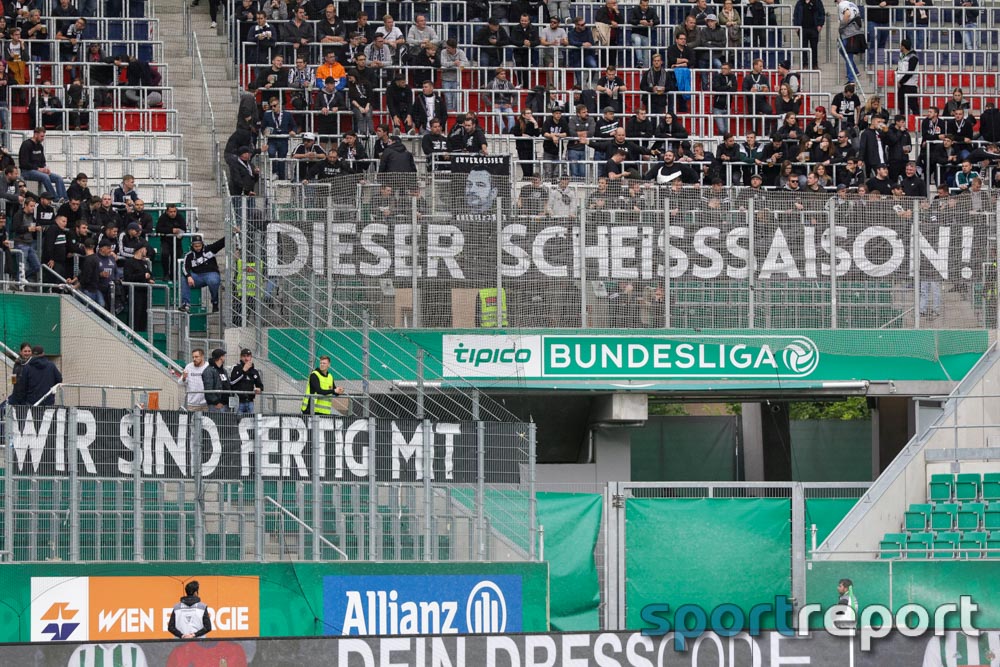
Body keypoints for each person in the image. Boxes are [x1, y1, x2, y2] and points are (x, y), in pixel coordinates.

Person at [18, 128, 67, 200]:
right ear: (35, 134)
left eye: (44, 136)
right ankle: (55, 198)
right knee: (45, 177)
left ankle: (64, 199)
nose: (43, 138)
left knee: (58, 178)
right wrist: (39, 169)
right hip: (27, 171)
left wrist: (45, 168)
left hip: (38, 171)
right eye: (41, 136)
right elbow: (24, 163)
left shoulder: (40, 146)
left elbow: (42, 161)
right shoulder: (26, 144)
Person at [180, 235, 225, 313]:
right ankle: (186, 304)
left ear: (202, 244)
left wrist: (233, 233)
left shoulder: (209, 249)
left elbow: (221, 243)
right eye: (195, 246)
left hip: (211, 273)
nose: (198, 248)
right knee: (184, 278)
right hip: (198, 276)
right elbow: (185, 267)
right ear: (192, 245)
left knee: (213, 281)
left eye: (199, 245)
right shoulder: (189, 255)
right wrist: (188, 276)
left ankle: (215, 302)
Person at [793, 0, 825, 68]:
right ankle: (804, 65)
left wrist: (820, 25)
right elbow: (795, 15)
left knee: (814, 48)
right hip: (803, 29)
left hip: (813, 28)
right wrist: (796, 26)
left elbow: (822, 13)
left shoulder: (817, 2)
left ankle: (815, 65)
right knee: (803, 48)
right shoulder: (800, 3)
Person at [230, 348, 264, 413]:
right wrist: (243, 371)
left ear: (251, 357)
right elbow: (232, 382)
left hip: (250, 401)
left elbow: (260, 385)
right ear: (241, 357)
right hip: (238, 402)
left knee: (250, 420)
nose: (246, 358)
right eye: (244, 356)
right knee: (238, 421)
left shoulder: (254, 371)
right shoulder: (236, 368)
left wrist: (259, 389)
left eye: (248, 356)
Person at [202, 348, 231, 413]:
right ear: (221, 357)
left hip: (226, 404)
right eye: (224, 356)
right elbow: (208, 389)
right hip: (216, 405)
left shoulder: (224, 370)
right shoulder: (209, 371)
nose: (224, 358)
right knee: (217, 422)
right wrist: (216, 402)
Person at [896, 38, 919, 117]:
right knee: (902, 107)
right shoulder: (902, 57)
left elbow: (910, 72)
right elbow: (899, 68)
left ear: (903, 46)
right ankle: (902, 125)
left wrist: (901, 82)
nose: (900, 47)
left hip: (910, 85)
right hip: (902, 85)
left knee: (914, 106)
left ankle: (917, 124)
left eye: (901, 46)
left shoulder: (913, 57)